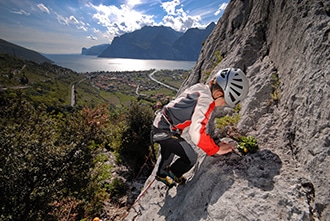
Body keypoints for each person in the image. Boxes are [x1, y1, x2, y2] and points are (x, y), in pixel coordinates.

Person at [152, 68, 249, 187]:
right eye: (225, 102)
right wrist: (216, 149)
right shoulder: (206, 102)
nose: (223, 105)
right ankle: (174, 172)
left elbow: (182, 103)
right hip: (165, 129)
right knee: (191, 157)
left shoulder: (200, 88)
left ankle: (161, 174)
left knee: (170, 151)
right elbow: (196, 133)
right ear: (218, 94)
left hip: (162, 123)